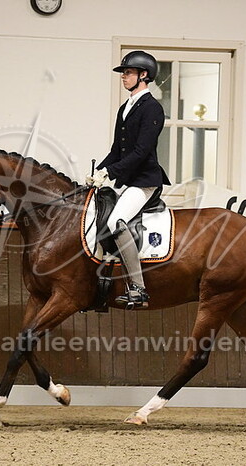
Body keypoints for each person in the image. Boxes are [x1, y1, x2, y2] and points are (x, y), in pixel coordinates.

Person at [86, 50, 171, 308]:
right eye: (123, 73)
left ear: (144, 75)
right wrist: (99, 172)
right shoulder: (125, 108)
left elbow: (141, 151)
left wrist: (111, 173)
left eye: (129, 72)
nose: (124, 77)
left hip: (145, 181)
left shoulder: (152, 108)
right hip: (129, 181)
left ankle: (138, 288)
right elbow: (117, 150)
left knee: (116, 221)